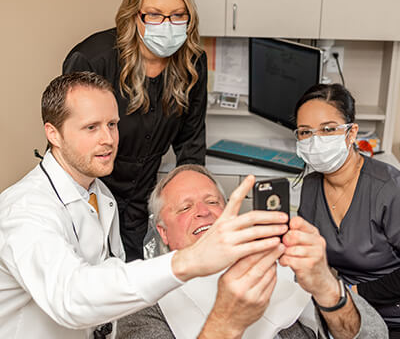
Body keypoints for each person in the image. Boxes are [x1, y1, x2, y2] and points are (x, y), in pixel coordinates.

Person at [0, 73, 289, 339]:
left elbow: (108, 278)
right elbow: (70, 298)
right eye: (91, 127)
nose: (108, 139)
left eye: (112, 124)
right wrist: (189, 260)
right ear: (53, 133)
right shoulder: (25, 210)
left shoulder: (100, 193)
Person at [117, 164, 388, 339]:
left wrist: (327, 287)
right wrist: (227, 321)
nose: (203, 212)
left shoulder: (287, 262)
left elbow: (373, 336)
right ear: (163, 232)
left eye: (212, 202)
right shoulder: (144, 301)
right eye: (185, 208)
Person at [63, 0, 208, 261]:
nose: (167, 26)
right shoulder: (93, 60)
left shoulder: (193, 64)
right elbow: (69, 147)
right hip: (93, 195)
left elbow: (191, 143)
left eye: (178, 16)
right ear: (135, 15)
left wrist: (195, 205)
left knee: (138, 285)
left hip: (144, 196)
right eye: (154, 15)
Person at [294, 83, 400, 338]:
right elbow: (308, 251)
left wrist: (352, 294)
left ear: (351, 133)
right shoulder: (311, 187)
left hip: (390, 312)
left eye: (328, 129)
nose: (315, 140)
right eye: (305, 132)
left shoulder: (388, 188)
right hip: (339, 307)